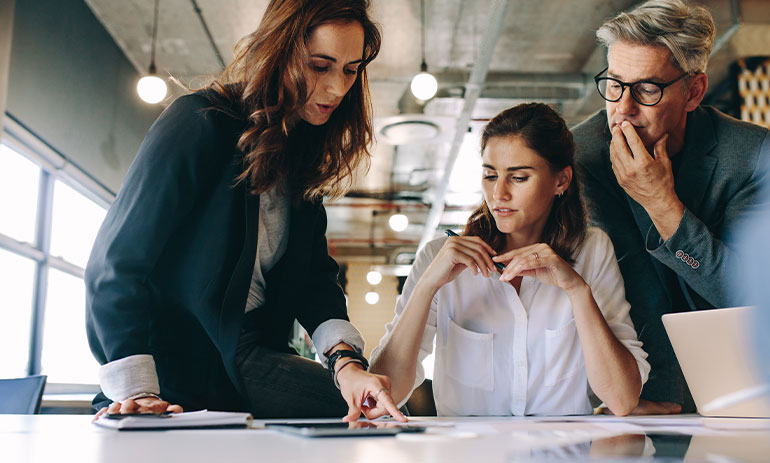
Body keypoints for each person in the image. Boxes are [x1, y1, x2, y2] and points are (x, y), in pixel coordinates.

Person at [85, 0, 405, 423]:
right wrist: (137, 389)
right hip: (181, 364)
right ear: (279, 52)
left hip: (252, 352)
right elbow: (116, 265)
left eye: (350, 69)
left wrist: (346, 363)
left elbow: (313, 280)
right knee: (365, 416)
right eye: (320, 65)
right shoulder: (200, 122)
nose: (337, 89)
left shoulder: (299, 152)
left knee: (372, 405)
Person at [370, 103, 650, 416]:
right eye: (490, 175)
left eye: (518, 178)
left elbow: (622, 399)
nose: (498, 194)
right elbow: (385, 393)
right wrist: (426, 287)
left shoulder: (593, 250)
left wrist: (576, 290)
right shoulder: (439, 258)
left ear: (561, 181)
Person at [572, 0, 770, 414]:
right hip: (630, 391)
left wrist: (662, 205)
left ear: (693, 92)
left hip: (740, 384)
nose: (622, 109)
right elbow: (617, 285)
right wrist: (644, 391)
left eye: (647, 89)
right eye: (613, 83)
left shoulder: (751, 155)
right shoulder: (581, 157)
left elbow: (745, 294)